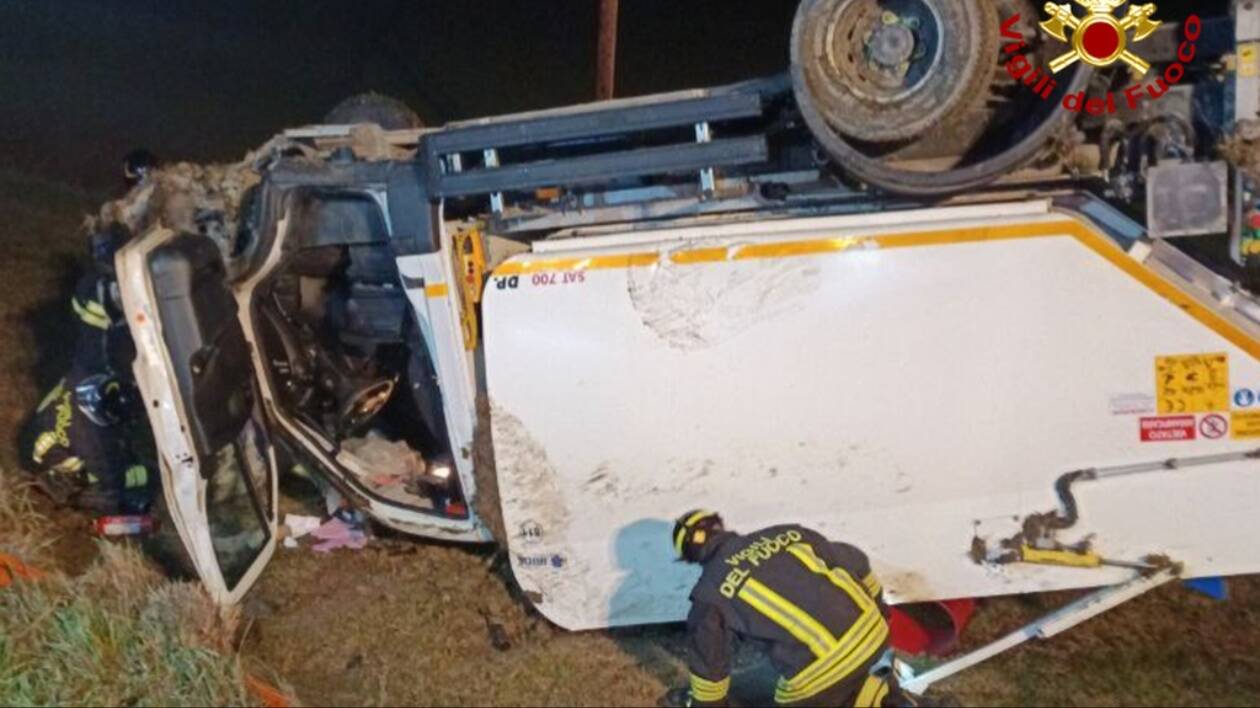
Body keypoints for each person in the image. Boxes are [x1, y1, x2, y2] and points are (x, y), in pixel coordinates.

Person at [673, 510, 922, 707]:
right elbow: (856, 561)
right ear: (720, 525)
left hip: (819, 675)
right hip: (874, 634)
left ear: (689, 557)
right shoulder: (789, 534)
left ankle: (867, 698)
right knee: (847, 682)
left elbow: (709, 662)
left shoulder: (710, 593)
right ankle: (882, 697)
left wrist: (707, 704)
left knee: (804, 695)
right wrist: (879, 611)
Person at [26, 150, 159, 515]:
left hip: (103, 370)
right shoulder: (89, 417)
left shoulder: (80, 390)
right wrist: (135, 487)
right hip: (100, 384)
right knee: (121, 474)